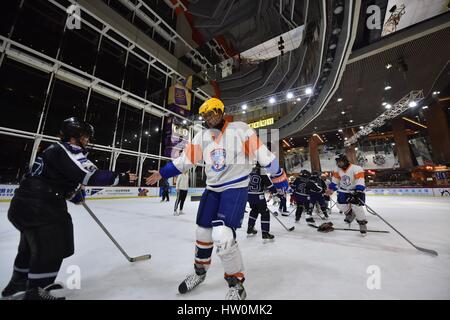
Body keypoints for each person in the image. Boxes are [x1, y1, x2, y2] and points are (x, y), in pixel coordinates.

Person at [145, 97, 288, 300]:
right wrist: (162, 173)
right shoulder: (202, 137)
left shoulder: (240, 129)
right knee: (203, 232)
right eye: (205, 115)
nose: (209, 118)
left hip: (235, 187)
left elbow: (264, 155)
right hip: (212, 189)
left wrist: (280, 179)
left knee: (222, 234)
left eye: (212, 113)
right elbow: (185, 160)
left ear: (221, 111)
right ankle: (199, 272)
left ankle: (235, 282)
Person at [2, 117, 137, 300]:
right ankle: (36, 292)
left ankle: (20, 283)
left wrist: (72, 195)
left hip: (26, 203)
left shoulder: (53, 150)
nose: (87, 140)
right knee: (52, 246)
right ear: (74, 137)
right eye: (85, 136)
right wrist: (121, 177)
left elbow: (56, 180)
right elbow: (90, 176)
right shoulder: (68, 150)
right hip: (41, 206)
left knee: (30, 246)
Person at [326, 154, 368, 235]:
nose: (339, 164)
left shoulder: (356, 168)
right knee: (340, 205)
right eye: (337, 162)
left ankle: (362, 223)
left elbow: (360, 180)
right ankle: (350, 213)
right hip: (343, 190)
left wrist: (358, 191)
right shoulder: (337, 170)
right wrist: (331, 189)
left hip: (355, 190)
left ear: (345, 161)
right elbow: (335, 181)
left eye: (340, 162)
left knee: (357, 207)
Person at [246, 163, 275, 240]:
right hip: (258, 196)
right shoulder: (261, 171)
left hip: (249, 195)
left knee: (254, 210)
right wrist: (275, 191)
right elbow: (269, 184)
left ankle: (250, 228)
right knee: (265, 213)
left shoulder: (250, 170)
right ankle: (265, 233)